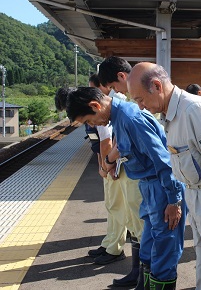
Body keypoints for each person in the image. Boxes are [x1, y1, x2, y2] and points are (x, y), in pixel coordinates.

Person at [127, 62, 201, 290]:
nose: (141, 107)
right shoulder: (171, 114)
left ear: (156, 86)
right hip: (198, 195)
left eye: (140, 99)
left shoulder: (193, 110)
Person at [66, 87, 186, 290]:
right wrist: (109, 161)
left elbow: (163, 162)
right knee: (149, 248)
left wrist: (174, 201)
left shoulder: (131, 119)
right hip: (148, 187)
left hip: (161, 187)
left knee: (164, 251)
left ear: (95, 106)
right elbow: (124, 147)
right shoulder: (119, 118)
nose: (92, 125)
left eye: (88, 121)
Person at [55, 85, 128, 266]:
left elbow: (106, 142)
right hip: (109, 165)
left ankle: (115, 248)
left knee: (116, 207)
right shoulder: (92, 115)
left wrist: (105, 167)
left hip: (114, 167)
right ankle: (109, 243)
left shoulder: (98, 116)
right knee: (111, 207)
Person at [89, 73, 145, 287]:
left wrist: (106, 164)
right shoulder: (121, 111)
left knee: (139, 224)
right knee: (133, 222)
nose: (115, 91)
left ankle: (143, 277)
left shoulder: (127, 111)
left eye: (112, 86)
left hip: (136, 175)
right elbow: (119, 144)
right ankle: (137, 273)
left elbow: (159, 157)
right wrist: (110, 160)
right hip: (125, 171)